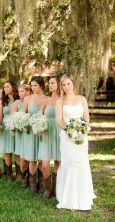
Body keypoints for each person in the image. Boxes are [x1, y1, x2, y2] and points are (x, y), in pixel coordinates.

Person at [55, 74, 96, 210]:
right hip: (67, 137)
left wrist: (80, 130)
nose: (66, 87)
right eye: (63, 85)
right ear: (61, 87)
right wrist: (69, 130)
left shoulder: (82, 99)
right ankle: (67, 197)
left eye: (68, 84)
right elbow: (59, 120)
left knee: (81, 163)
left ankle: (84, 196)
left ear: (73, 83)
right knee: (69, 162)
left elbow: (86, 118)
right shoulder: (60, 101)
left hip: (81, 137)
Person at [21, 76, 46, 193]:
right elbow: (23, 114)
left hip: (42, 131)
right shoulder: (27, 99)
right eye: (32, 85)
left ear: (41, 86)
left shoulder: (46, 99)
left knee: (42, 158)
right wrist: (23, 124)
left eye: (35, 85)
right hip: (30, 132)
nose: (33, 88)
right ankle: (32, 182)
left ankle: (42, 182)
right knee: (32, 159)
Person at [38, 76, 61, 199]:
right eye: (49, 83)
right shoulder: (45, 100)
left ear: (58, 84)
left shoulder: (63, 100)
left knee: (59, 161)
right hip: (46, 131)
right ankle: (47, 187)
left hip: (59, 131)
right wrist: (39, 127)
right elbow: (39, 115)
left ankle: (55, 187)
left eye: (53, 83)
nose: (50, 85)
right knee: (45, 164)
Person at [0, 81, 17, 182]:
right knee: (7, 152)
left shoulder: (18, 99)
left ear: (13, 87)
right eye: (4, 87)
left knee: (18, 151)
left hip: (18, 126)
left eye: (7, 86)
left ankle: (20, 173)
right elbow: (0, 116)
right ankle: (9, 174)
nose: (5, 88)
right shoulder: (2, 100)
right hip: (5, 127)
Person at [10, 84, 31, 182]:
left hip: (30, 131)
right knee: (19, 154)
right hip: (20, 132)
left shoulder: (32, 101)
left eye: (22, 91)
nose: (20, 93)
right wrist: (13, 129)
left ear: (28, 91)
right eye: (19, 91)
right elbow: (12, 119)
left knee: (29, 154)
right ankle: (21, 175)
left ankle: (30, 175)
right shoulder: (16, 103)